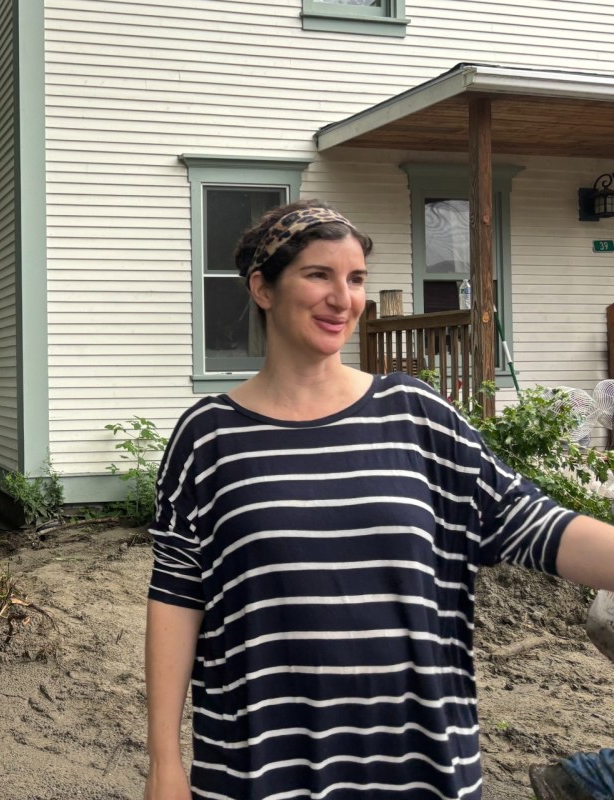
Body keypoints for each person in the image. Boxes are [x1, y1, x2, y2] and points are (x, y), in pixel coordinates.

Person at [143, 199, 614, 800]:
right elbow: (178, 594)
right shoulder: (208, 436)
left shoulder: (415, 416)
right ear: (262, 288)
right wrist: (164, 763)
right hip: (258, 770)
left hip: (417, 766)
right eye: (319, 275)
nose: (344, 299)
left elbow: (531, 524)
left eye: (356, 278)